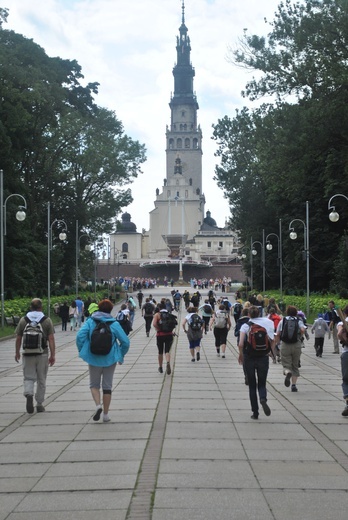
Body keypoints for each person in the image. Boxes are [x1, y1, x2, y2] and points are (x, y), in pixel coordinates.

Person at [76, 299, 130, 422]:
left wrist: (83, 350)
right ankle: (105, 415)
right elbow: (125, 342)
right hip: (110, 359)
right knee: (107, 387)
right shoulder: (114, 324)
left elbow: (80, 336)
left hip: (93, 358)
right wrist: (120, 354)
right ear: (111, 310)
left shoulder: (90, 321)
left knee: (94, 385)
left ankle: (97, 405)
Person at [15, 298, 56, 413]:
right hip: (42, 353)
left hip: (27, 353)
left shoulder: (24, 320)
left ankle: (29, 394)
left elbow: (18, 337)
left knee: (28, 377)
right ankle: (39, 404)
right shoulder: (46, 320)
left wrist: (17, 352)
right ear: (41, 307)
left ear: (30, 307)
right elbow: (51, 338)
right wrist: (52, 355)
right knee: (41, 379)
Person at [238, 306, 274, 419]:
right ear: (259, 314)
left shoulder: (245, 326)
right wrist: (271, 354)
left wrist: (240, 355)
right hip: (263, 357)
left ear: (249, 315)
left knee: (252, 385)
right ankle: (263, 398)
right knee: (262, 383)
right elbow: (273, 340)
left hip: (249, 357)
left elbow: (240, 344)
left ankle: (255, 412)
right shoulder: (267, 323)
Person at [276, 305, 306, 392]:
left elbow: (278, 334)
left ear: (287, 312)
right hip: (296, 344)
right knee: (295, 365)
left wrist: (278, 344)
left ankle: (287, 372)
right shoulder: (298, 320)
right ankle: (294, 385)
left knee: (286, 365)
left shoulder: (283, 320)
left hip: (285, 344)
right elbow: (303, 330)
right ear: (296, 313)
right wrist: (300, 336)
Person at [152, 301, 176, 374]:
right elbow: (173, 324)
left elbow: (154, 324)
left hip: (160, 335)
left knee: (160, 352)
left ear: (159, 308)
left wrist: (159, 329)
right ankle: (168, 362)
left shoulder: (157, 315)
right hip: (169, 334)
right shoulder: (169, 314)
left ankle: (160, 367)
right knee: (167, 351)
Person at [337, 305, 348, 417]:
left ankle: (347, 398)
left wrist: (344, 341)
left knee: (346, 379)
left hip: (347, 353)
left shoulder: (343, 322)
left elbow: (339, 334)